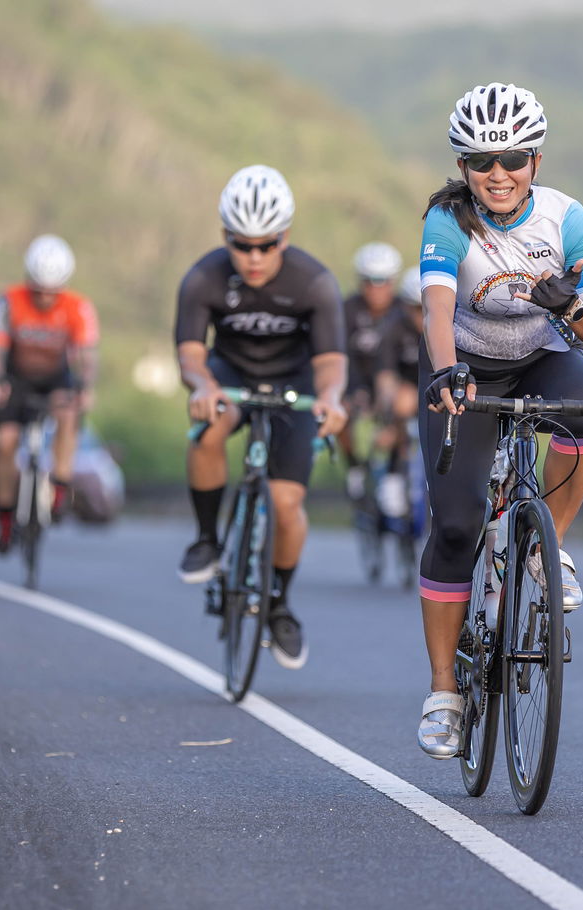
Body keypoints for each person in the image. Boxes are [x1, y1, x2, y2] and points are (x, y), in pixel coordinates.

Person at [412, 82, 583, 758]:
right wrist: (445, 374)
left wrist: (568, 308)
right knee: (458, 523)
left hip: (540, 359)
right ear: (464, 167)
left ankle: (543, 545)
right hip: (463, 367)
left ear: (536, 159)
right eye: (480, 162)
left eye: (513, 159)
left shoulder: (567, 220)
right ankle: (445, 693)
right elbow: (437, 314)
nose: (497, 174)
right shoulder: (448, 222)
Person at [173, 164, 348, 669]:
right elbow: (190, 353)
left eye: (265, 245)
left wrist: (332, 398)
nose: (253, 257)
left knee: (286, 504)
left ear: (284, 237)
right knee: (208, 430)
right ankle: (207, 539)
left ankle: (278, 604)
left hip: (294, 383)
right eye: (240, 244)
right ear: (225, 236)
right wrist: (203, 386)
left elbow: (332, 363)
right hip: (229, 375)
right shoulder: (203, 277)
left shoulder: (313, 281)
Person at [0, 235, 98, 555]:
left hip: (55, 378)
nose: (46, 298)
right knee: (6, 443)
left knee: (69, 413)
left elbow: (87, 354)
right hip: (16, 377)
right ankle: (6, 516)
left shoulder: (78, 307)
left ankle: (59, 487)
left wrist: (86, 388)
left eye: (53, 291)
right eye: (39, 291)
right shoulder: (7, 301)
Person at [339, 241, 404, 498]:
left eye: (383, 281)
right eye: (370, 281)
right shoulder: (348, 310)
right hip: (356, 380)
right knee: (340, 414)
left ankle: (394, 472)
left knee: (403, 406)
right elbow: (340, 354)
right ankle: (353, 465)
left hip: (393, 380)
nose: (376, 288)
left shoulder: (403, 309)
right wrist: (353, 391)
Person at [371, 266, 425, 519]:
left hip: (440, 387)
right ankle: (394, 471)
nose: (422, 315)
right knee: (402, 401)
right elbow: (385, 375)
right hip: (407, 388)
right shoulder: (393, 327)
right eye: (416, 308)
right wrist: (387, 414)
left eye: (426, 307)